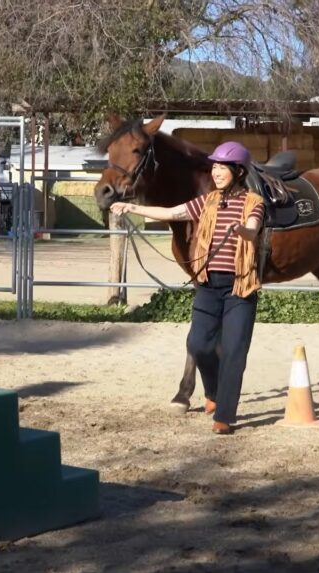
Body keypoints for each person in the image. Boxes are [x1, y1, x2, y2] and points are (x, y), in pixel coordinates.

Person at [110, 141, 264, 435]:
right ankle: (214, 392)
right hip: (208, 284)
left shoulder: (252, 202)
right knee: (198, 344)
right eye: (215, 167)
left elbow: (254, 228)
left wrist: (241, 230)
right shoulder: (206, 201)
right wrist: (132, 206)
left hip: (240, 287)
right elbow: (174, 213)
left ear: (239, 171)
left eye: (223, 167)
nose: (217, 172)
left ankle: (225, 415)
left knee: (234, 351)